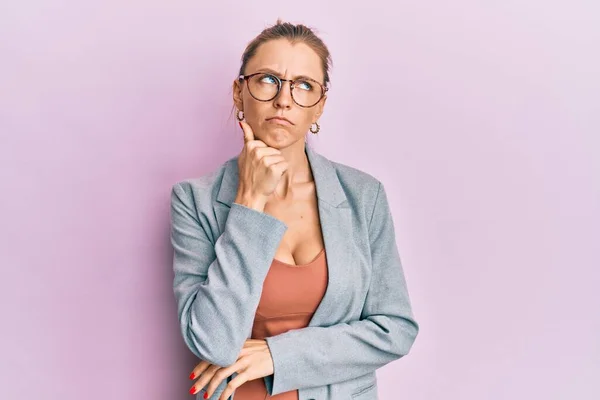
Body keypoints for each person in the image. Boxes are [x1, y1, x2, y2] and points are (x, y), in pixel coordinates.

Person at [170, 19, 419, 400]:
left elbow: (395, 328)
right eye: (268, 79)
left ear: (319, 106)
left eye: (304, 86)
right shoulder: (194, 200)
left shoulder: (363, 196)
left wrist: (277, 355)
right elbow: (213, 343)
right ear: (239, 93)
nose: (284, 99)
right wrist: (249, 203)